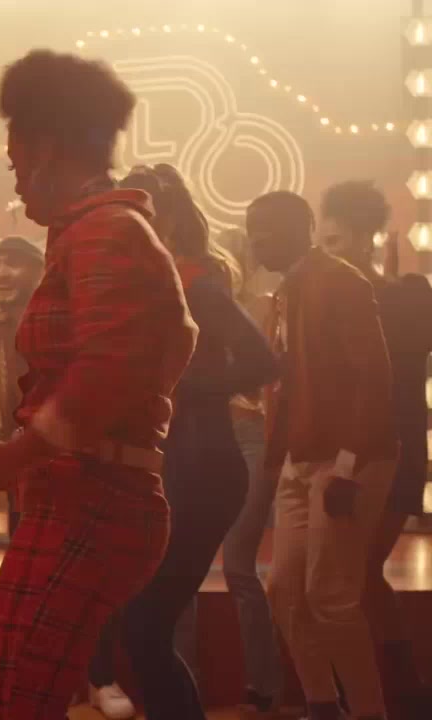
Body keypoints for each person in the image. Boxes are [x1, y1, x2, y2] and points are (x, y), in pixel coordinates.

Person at [0, 50, 197, 720]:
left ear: (46, 148)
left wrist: (18, 454)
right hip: (83, 495)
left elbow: (107, 368)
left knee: (15, 703)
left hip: (91, 500)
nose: (15, 176)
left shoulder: (105, 231)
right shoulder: (99, 231)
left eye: (16, 157)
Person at [118, 165, 279, 720]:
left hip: (204, 470)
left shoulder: (197, 285)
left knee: (144, 625)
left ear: (166, 217)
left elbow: (262, 360)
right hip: (175, 467)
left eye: (142, 211)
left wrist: (189, 387)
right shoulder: (155, 284)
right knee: (145, 627)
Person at [249, 190, 398, 720]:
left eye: (265, 229)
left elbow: (374, 378)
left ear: (301, 228)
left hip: (347, 460)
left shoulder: (341, 281)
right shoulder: (287, 291)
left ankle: (369, 712)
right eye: (252, 230)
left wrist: (347, 466)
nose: (255, 241)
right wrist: (278, 459)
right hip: (303, 459)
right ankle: (323, 705)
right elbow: (290, 383)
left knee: (330, 597)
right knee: (285, 591)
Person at [318, 180, 432, 719]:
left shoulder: (402, 296)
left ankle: (388, 692)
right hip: (356, 451)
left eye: (337, 241)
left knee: (357, 572)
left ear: (367, 236)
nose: (330, 253)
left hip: (394, 450)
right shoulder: (341, 297)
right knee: (359, 574)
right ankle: (398, 689)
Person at [213, 225, 285, 713]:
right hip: (205, 438)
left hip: (251, 436)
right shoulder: (199, 310)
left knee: (239, 564)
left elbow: (268, 379)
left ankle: (265, 686)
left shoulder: (265, 307)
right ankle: (182, 680)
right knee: (180, 564)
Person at [0, 235, 43, 551]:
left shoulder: (44, 323)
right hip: (19, 446)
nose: (1, 273)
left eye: (13, 264)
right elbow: (1, 386)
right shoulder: (2, 325)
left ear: (38, 271)